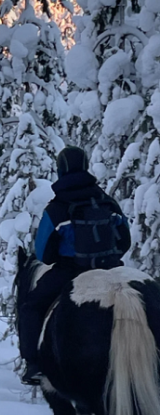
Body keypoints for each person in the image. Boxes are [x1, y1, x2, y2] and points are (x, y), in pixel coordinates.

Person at [19, 146, 131, 385]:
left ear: (60, 170)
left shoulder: (56, 208)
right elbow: (125, 240)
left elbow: (43, 254)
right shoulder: (107, 201)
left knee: (31, 307)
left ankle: (34, 364)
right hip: (111, 268)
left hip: (71, 271)